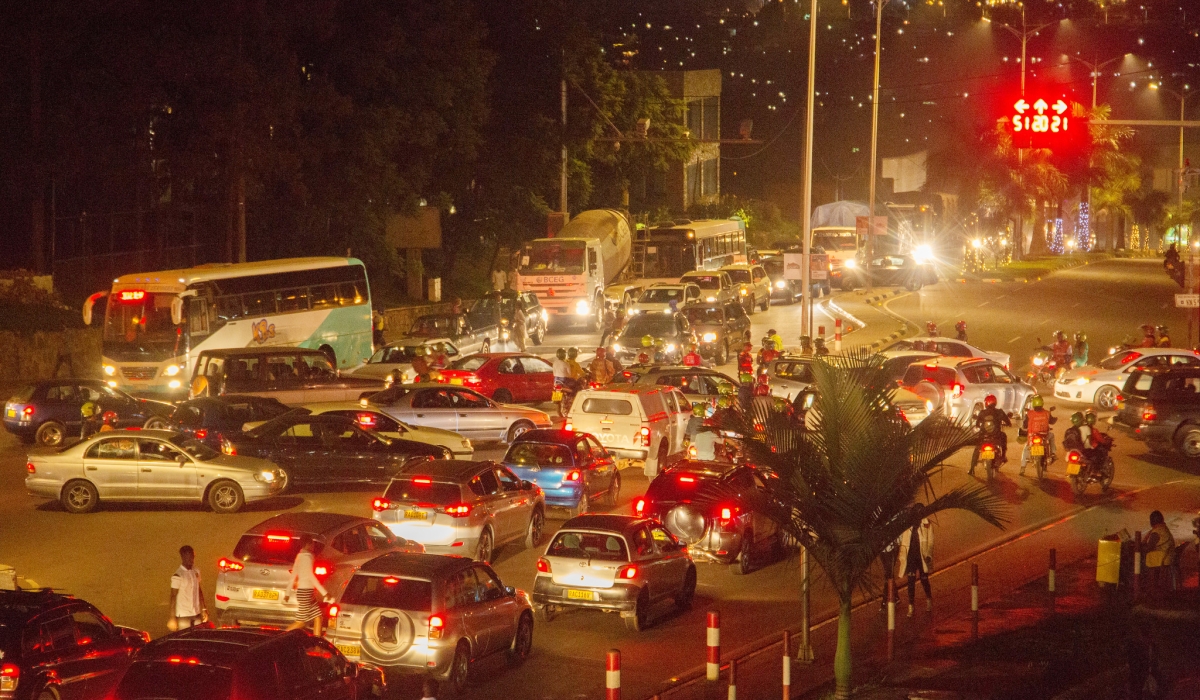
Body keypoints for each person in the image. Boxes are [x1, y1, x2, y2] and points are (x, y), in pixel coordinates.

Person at [285, 536, 329, 636]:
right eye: (312, 544)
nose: (313, 546)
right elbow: (311, 575)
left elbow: (293, 576)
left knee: (318, 617)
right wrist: (325, 593)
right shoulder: (308, 556)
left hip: (303, 592)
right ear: (308, 544)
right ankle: (279, 638)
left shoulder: (299, 556)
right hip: (306, 592)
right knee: (301, 622)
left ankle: (316, 643)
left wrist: (287, 593)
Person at [896, 514, 933, 617]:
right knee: (911, 582)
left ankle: (929, 600)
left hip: (922, 558)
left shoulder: (927, 525)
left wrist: (929, 555)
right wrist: (902, 556)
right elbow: (902, 542)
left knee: (924, 580)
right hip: (911, 558)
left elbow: (930, 542)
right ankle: (911, 606)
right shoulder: (907, 527)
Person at [168, 545, 207, 631]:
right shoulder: (178, 575)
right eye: (188, 557)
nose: (191, 560)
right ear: (183, 557)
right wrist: (172, 618)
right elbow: (173, 597)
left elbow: (199, 590)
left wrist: (204, 609)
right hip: (183, 616)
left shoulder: (196, 571)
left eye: (192, 557)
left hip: (196, 613)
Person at [971, 394, 1011, 474]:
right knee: (1004, 437)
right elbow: (1008, 421)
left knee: (977, 449)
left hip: (984, 437)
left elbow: (977, 424)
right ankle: (1003, 456)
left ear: (986, 403)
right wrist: (1008, 423)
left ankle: (971, 468)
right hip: (996, 437)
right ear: (995, 402)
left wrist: (979, 425)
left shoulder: (982, 412)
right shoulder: (999, 412)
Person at [1141, 510, 1178, 591]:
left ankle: (1144, 586)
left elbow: (1148, 548)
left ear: (1151, 521)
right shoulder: (1164, 528)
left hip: (1162, 559)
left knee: (1140, 559)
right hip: (1168, 556)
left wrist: (1140, 545)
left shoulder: (1157, 532)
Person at [1019, 395, 1056, 475]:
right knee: (1052, 436)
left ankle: (1022, 468)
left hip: (1032, 436)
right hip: (1044, 435)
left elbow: (1025, 425)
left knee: (1026, 449)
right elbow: (1052, 421)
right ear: (1042, 403)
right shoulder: (1046, 413)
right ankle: (1053, 453)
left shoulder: (1029, 414)